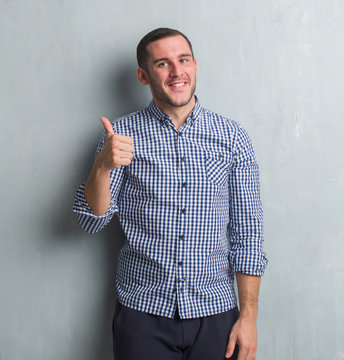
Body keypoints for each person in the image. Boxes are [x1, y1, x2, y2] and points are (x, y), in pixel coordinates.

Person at [72, 28, 268, 360]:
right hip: (142, 312)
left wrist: (248, 319)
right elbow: (92, 222)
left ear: (195, 64)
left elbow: (248, 234)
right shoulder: (120, 135)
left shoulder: (232, 137)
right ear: (143, 75)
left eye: (183, 60)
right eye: (163, 63)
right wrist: (103, 166)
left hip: (215, 312)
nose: (177, 72)